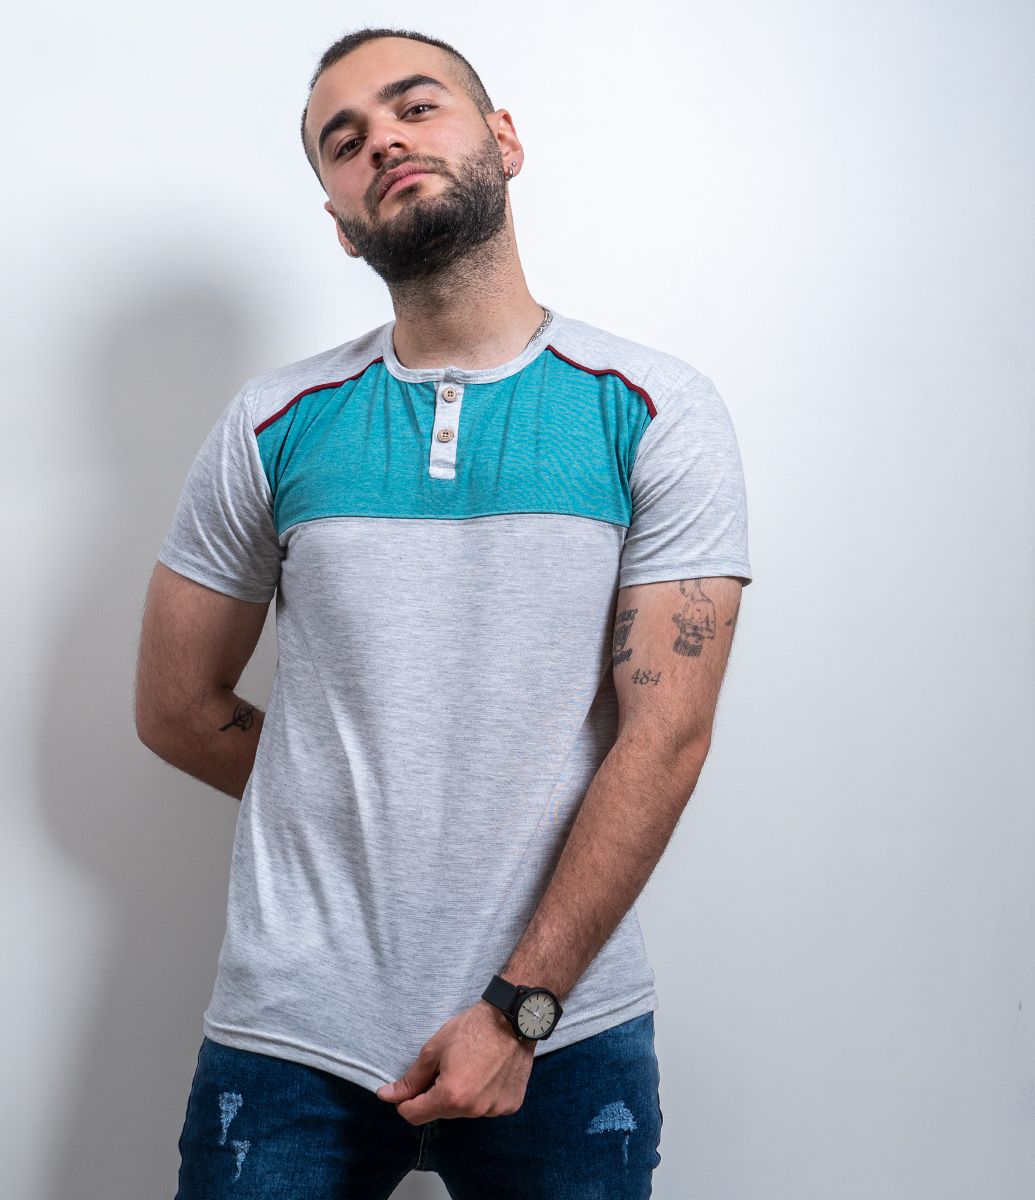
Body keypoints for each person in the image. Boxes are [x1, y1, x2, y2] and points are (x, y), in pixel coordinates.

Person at [135, 27, 751, 1200]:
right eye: (345, 140)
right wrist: (349, 794)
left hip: (565, 1032)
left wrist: (519, 1011)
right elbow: (175, 707)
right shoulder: (273, 421)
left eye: (416, 107)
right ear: (338, 218)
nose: (384, 141)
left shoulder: (656, 408)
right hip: (290, 1033)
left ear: (504, 139)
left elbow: (667, 736)